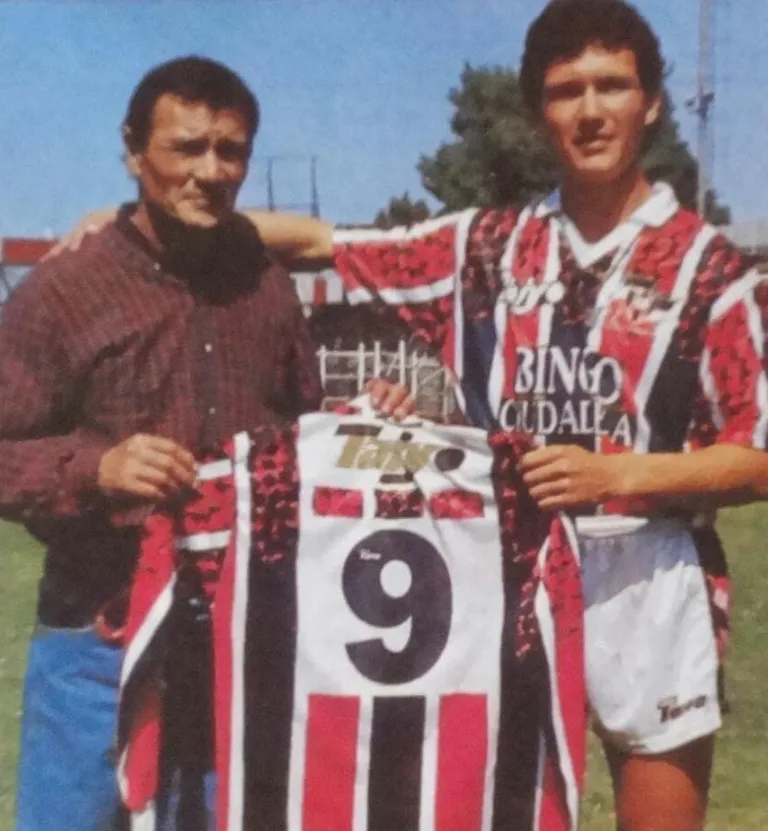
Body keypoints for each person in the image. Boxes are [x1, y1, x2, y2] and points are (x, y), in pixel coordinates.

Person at [211, 4, 768, 830]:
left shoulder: (712, 269)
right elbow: (317, 242)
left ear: (651, 102)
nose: (589, 110)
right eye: (565, 90)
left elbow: (757, 455)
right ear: (539, 112)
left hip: (647, 572)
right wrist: (139, 230)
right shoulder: (482, 247)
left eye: (612, 86)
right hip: (500, 576)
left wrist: (618, 473)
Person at [0, 56, 411, 831]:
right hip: (99, 631)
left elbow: (296, 444)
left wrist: (361, 423)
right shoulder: (63, 290)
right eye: (187, 148)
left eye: (230, 152)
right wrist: (98, 467)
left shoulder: (265, 284)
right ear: (133, 151)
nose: (210, 171)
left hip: (239, 634)